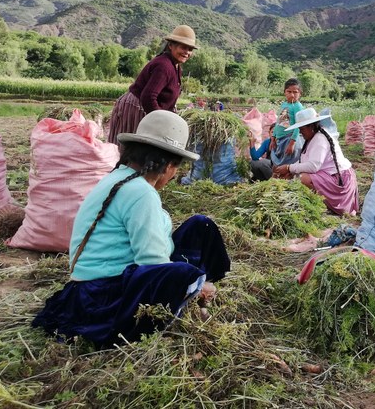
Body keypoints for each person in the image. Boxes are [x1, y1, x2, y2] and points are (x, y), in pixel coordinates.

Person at [32, 110, 230, 348]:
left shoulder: (120, 178)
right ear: (167, 165)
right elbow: (153, 262)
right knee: (181, 274)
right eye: (176, 168)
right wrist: (193, 284)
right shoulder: (141, 192)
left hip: (93, 286)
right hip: (103, 294)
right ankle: (196, 294)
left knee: (201, 225)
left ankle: (198, 284)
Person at [107, 25, 198, 145]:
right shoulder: (164, 65)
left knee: (140, 151)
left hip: (146, 107)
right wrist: (159, 122)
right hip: (137, 107)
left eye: (190, 49)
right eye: (183, 47)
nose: (187, 52)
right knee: (129, 150)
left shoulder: (176, 67)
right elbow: (148, 97)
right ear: (171, 46)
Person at [273, 107, 359, 216]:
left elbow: (313, 166)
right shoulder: (312, 138)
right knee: (290, 174)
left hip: (339, 179)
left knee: (302, 178)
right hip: (328, 175)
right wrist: (288, 169)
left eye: (302, 129)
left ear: (311, 127)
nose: (301, 132)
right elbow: (303, 161)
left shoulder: (320, 139)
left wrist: (289, 168)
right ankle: (317, 203)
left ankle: (321, 204)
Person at [270, 78, 303, 167]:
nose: (292, 95)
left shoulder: (298, 106)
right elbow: (279, 122)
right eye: (289, 92)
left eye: (295, 92)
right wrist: (273, 137)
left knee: (287, 166)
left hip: (289, 139)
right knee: (279, 167)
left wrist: (292, 143)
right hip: (280, 139)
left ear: (300, 93)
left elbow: (298, 126)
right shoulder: (284, 104)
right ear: (284, 92)